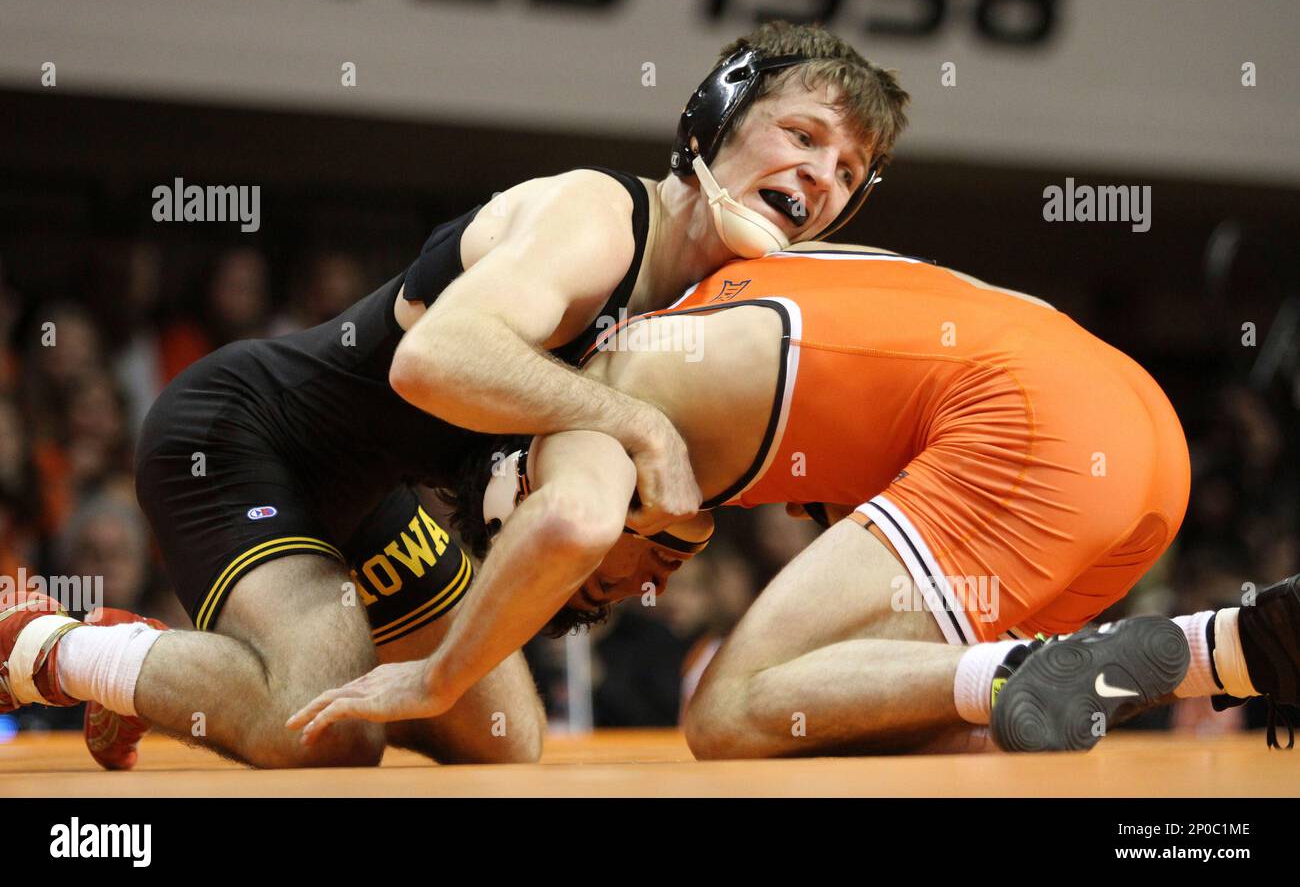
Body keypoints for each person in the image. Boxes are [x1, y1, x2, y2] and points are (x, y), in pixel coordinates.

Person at [1, 22, 910, 769]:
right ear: (713, 120)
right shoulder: (597, 218)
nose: (820, 179)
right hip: (244, 438)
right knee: (325, 737)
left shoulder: (711, 306)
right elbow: (432, 360)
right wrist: (635, 422)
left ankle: (200, 674)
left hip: (374, 495)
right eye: (803, 137)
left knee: (508, 745)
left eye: (846, 170)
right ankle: (58, 650)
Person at [286, 243, 1299, 755]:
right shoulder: (719, 298)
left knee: (723, 712)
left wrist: (435, 675)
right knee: (926, 712)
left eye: (581, 594)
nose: (627, 583)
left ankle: (1102, 658)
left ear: (503, 485)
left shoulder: (581, 421)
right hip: (1139, 445)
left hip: (1036, 426)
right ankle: (1221, 647)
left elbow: (567, 521)